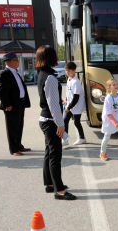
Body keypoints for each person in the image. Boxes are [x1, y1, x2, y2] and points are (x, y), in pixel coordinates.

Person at [36, 45, 76, 200]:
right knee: (55, 155)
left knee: (49, 153)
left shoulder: (42, 74)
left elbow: (48, 98)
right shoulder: (51, 77)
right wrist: (61, 124)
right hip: (51, 120)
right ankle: (59, 190)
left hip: (44, 119)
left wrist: (58, 100)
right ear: (51, 58)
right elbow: (52, 104)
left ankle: (50, 184)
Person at [0, 52, 31, 156]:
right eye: (16, 60)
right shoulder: (5, 73)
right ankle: (14, 149)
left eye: (17, 60)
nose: (18, 62)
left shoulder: (15, 72)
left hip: (20, 103)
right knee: (12, 127)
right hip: (11, 105)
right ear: (9, 62)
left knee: (19, 126)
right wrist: (7, 105)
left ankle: (19, 145)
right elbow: (2, 91)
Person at [62, 61, 86, 146]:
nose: (67, 72)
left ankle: (82, 138)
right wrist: (65, 101)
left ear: (74, 70)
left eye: (69, 71)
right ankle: (65, 140)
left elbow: (76, 97)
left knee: (76, 122)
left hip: (76, 106)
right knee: (64, 121)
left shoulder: (76, 82)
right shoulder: (69, 79)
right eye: (66, 70)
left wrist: (69, 107)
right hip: (70, 105)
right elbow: (69, 93)